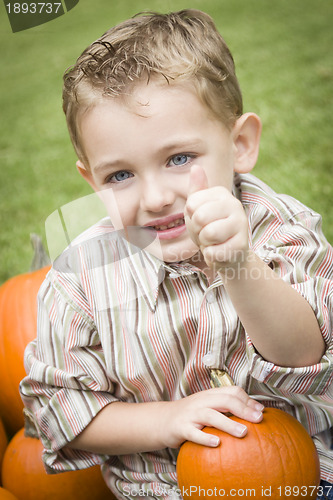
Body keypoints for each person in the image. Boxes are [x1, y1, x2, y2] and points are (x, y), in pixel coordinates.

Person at [20, 9, 333, 499]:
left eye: (179, 159)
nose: (155, 197)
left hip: (303, 480)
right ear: (91, 180)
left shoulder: (281, 228)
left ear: (240, 144)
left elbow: (307, 357)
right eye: (119, 175)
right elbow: (60, 409)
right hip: (158, 490)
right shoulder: (80, 276)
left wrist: (239, 266)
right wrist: (165, 421)